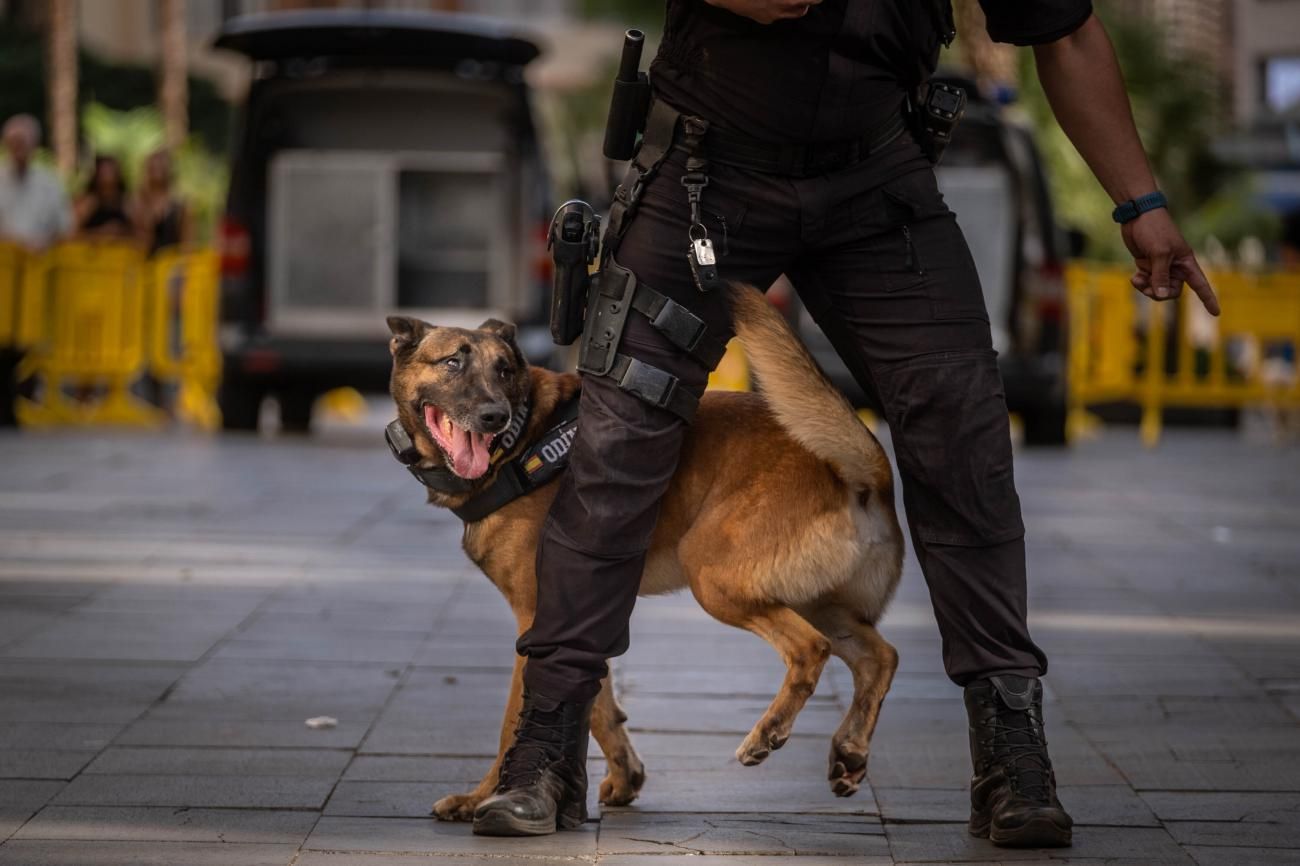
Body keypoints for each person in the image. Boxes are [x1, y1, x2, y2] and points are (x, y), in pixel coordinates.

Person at [474, 0, 1222, 849]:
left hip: (877, 179)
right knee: (616, 448)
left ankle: (1012, 752)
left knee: (964, 444)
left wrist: (1142, 203)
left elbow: (1069, 30)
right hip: (703, 173)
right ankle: (545, 753)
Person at [0, 114, 71, 251]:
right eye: (13, 142)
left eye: (22, 143)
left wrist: (45, 241)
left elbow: (64, 226)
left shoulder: (50, 183)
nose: (18, 148)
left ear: (34, 144)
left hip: (41, 263)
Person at [135, 149, 189, 255]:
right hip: (142, 261)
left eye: (161, 166)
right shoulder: (138, 200)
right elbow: (139, 238)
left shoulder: (180, 204)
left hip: (171, 263)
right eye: (154, 167)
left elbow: (187, 240)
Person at [73, 155, 134, 241]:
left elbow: (142, 233)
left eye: (110, 171)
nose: (107, 176)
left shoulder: (128, 202)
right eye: (103, 171)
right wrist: (100, 233)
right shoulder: (88, 202)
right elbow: (71, 232)